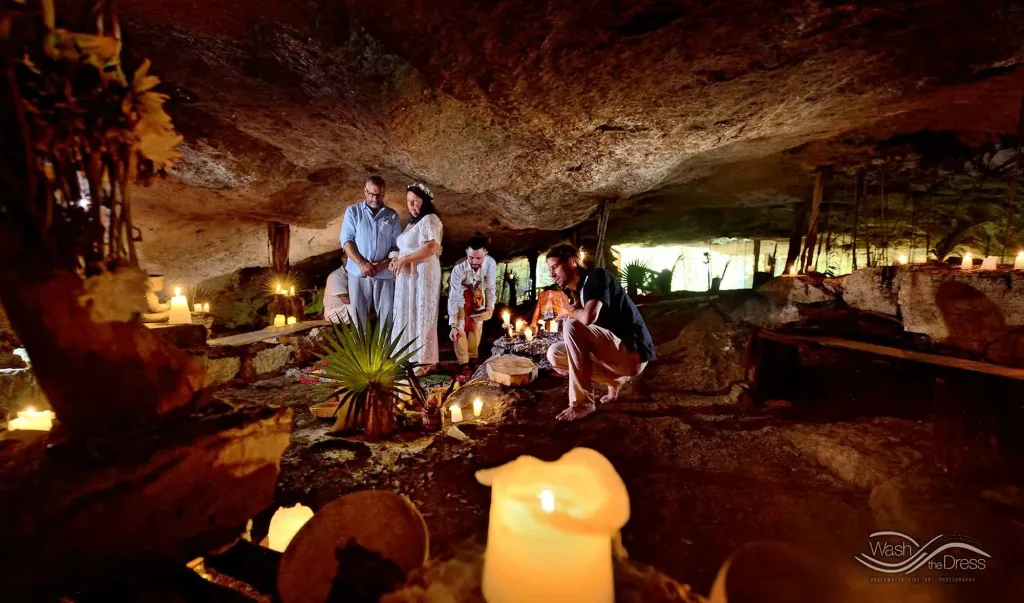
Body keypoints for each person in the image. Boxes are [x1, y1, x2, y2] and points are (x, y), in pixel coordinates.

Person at [544, 244, 655, 421]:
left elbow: (588, 317)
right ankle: (614, 381)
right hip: (613, 356)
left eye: (555, 267)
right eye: (550, 270)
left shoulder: (596, 276)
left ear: (572, 262)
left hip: (632, 353)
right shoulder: (579, 292)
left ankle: (583, 403)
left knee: (572, 325)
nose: (552, 274)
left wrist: (571, 312)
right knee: (554, 353)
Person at [390, 183, 443, 374]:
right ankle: (410, 355)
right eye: (409, 202)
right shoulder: (413, 223)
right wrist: (396, 258)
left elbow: (432, 248)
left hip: (422, 273)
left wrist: (404, 259)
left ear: (425, 201)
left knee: (421, 311)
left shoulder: (430, 219)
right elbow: (405, 246)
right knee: (409, 311)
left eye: (415, 202)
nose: (411, 206)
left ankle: (424, 360)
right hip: (409, 274)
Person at [340, 175, 402, 328]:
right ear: (365, 192)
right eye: (372, 194)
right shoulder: (353, 212)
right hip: (358, 272)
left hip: (384, 273)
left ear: (384, 193)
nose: (375, 198)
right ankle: (360, 351)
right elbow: (346, 241)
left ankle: (385, 351)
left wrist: (382, 265)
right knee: (357, 316)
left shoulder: (392, 215)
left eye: (379, 194)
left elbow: (396, 246)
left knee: (387, 316)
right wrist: (362, 263)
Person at [447, 232, 497, 368]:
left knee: (478, 323)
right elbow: (453, 296)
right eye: (471, 258)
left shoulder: (490, 263)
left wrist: (490, 309)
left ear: (485, 253)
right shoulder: (458, 268)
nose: (474, 262)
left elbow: (490, 288)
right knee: (460, 326)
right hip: (461, 295)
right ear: (466, 253)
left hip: (478, 292)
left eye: (478, 258)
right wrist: (453, 323)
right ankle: (463, 362)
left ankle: (473, 357)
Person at [323, 259, 352, 324]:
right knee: (360, 306)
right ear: (343, 259)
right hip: (335, 313)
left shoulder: (353, 274)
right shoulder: (336, 276)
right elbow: (346, 300)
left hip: (346, 308)